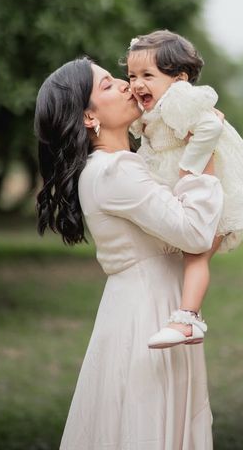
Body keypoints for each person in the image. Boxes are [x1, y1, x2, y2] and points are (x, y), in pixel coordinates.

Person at [34, 57, 224, 450]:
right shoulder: (115, 171)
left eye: (115, 77)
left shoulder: (117, 165)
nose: (124, 85)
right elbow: (192, 232)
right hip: (147, 310)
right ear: (88, 117)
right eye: (106, 85)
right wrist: (199, 164)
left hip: (141, 303)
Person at [126, 30, 243, 350]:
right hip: (190, 191)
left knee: (196, 257)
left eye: (148, 75)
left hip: (212, 191)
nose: (136, 83)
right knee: (191, 257)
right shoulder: (154, 106)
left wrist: (190, 167)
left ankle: (187, 320)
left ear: (179, 79)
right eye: (132, 75)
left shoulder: (178, 98)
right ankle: (189, 317)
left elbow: (211, 127)